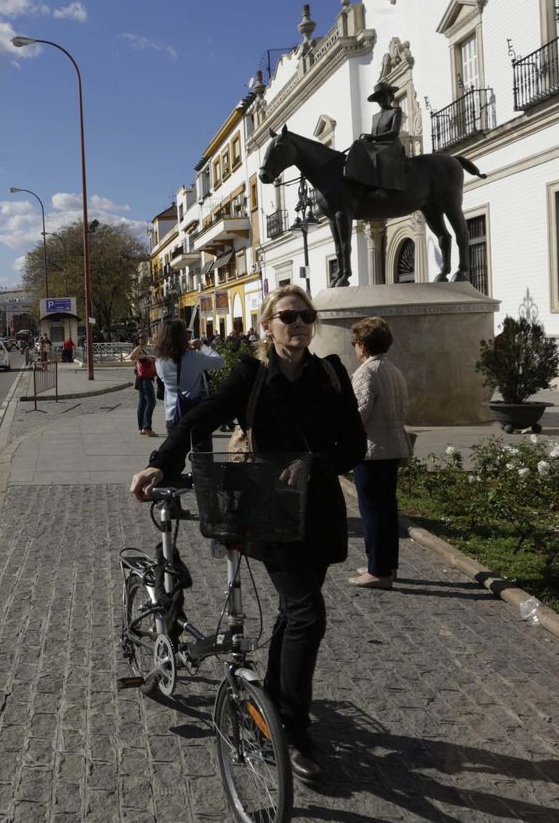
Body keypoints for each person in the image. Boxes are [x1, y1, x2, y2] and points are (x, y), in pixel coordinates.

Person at [130, 284, 365, 785]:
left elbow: (355, 445)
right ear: (267, 325)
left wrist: (313, 463)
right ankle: (294, 733)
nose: (298, 324)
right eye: (288, 317)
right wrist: (160, 463)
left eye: (305, 316)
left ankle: (274, 705)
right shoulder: (251, 375)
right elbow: (199, 418)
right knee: (307, 613)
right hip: (270, 512)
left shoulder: (331, 373)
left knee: (293, 614)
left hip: (319, 512)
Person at [348, 316, 410, 590]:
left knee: (372, 512)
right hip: (393, 447)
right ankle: (386, 564)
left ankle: (378, 571)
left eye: (355, 343)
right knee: (386, 511)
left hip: (372, 451)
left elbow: (358, 414)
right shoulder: (393, 370)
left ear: (362, 345)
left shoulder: (366, 373)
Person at [153, 320, 226, 455]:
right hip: (198, 414)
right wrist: (201, 347)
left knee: (174, 458)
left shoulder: (160, 361)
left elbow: (164, 380)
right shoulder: (194, 357)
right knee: (203, 457)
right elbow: (221, 362)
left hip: (173, 414)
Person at [345, 81, 407, 192]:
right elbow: (373, 135)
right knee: (357, 144)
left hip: (392, 145)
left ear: (390, 96)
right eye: (378, 98)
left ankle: (382, 189)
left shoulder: (396, 111)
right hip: (378, 145)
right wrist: (368, 138)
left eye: (383, 96)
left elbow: (394, 132)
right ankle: (350, 173)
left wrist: (373, 138)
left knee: (378, 155)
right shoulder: (375, 117)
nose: (381, 100)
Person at [126, 334, 159, 436]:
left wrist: (150, 358)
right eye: (140, 337)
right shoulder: (139, 348)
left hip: (142, 378)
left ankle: (142, 428)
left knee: (142, 403)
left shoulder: (143, 348)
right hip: (145, 379)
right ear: (138, 340)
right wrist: (146, 356)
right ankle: (147, 427)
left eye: (144, 337)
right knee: (151, 402)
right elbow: (131, 357)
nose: (143, 339)